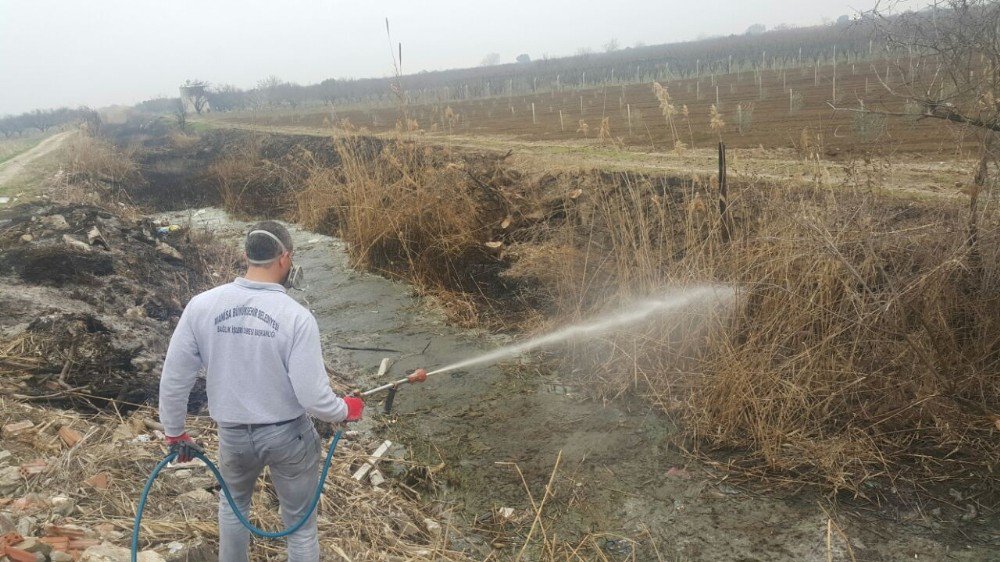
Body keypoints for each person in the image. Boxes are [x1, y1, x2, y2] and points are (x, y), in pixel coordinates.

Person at [158, 220, 364, 562]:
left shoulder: (202, 305)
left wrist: (174, 431)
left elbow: (175, 376)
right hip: (289, 438)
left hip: (233, 436)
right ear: (285, 258)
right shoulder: (297, 318)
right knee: (299, 529)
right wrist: (345, 410)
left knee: (233, 507)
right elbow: (313, 396)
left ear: (246, 256)